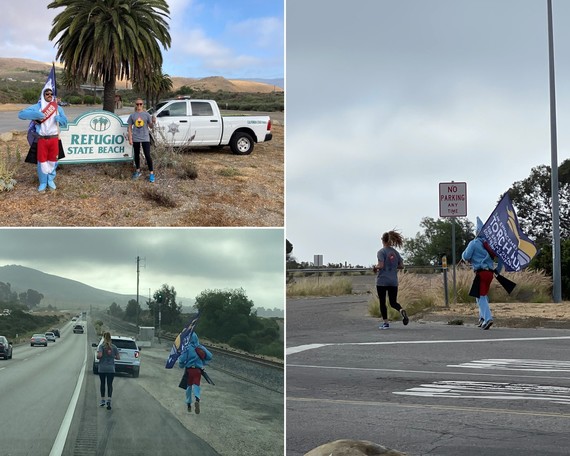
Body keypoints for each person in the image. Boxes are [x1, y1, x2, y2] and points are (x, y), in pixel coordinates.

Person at [18, 87, 68, 192]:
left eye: (51, 94)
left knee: (53, 161)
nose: (49, 95)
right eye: (47, 94)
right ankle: (43, 182)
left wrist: (61, 119)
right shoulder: (38, 106)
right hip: (42, 139)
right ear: (43, 95)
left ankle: (50, 180)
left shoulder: (58, 108)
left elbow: (65, 121)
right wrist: (36, 115)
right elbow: (21, 114)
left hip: (54, 138)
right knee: (42, 161)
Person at [461, 217, 504, 330]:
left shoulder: (474, 243)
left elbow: (466, 256)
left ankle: (487, 318)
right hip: (489, 273)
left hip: (480, 273)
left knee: (481, 296)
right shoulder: (490, 244)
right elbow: (500, 258)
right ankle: (481, 318)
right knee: (480, 295)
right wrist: (498, 270)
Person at [373, 230, 409, 329]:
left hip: (382, 281)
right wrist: (393, 267)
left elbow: (381, 265)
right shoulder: (395, 252)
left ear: (382, 240)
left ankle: (386, 323)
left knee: (382, 302)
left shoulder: (381, 252)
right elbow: (401, 266)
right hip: (393, 281)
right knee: (393, 302)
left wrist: (375, 267)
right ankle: (401, 310)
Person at [178, 332, 212, 414]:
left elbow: (182, 360)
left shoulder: (186, 348)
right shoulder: (200, 347)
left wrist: (181, 365)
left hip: (189, 370)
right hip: (198, 371)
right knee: (197, 385)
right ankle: (197, 399)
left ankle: (189, 404)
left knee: (189, 387)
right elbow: (210, 356)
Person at [127, 98, 156, 182]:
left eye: (140, 104)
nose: (139, 105)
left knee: (147, 155)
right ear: (135, 105)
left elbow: (150, 127)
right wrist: (130, 138)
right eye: (137, 104)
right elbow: (129, 127)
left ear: (143, 104)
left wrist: (153, 122)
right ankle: (138, 171)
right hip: (136, 137)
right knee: (136, 155)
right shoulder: (132, 115)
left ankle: (151, 173)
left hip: (145, 137)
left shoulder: (146, 115)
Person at [97, 332, 120, 409]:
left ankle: (103, 400)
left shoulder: (101, 346)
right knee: (109, 384)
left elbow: (99, 355)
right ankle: (109, 400)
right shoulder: (114, 347)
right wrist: (112, 356)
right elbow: (118, 357)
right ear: (110, 338)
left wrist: (99, 356)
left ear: (104, 337)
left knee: (102, 383)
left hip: (102, 368)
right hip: (111, 368)